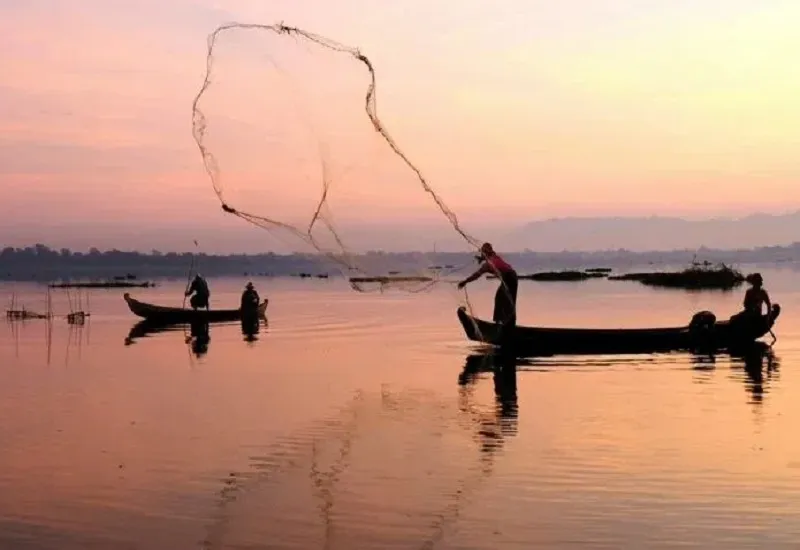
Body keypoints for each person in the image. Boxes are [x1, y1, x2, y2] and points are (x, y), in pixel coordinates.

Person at [457, 243, 518, 327]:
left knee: (501, 299)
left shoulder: (488, 264)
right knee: (508, 300)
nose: (481, 254)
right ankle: (509, 324)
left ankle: (501, 323)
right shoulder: (494, 258)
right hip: (513, 276)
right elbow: (491, 255)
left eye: (482, 252)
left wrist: (465, 281)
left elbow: (476, 275)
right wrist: (482, 258)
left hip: (509, 278)